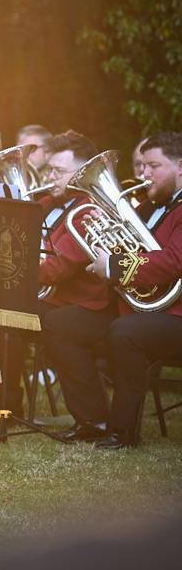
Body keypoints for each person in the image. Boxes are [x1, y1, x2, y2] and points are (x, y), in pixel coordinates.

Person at [0, 131, 111, 418]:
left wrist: (5, 269)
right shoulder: (46, 204)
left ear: (82, 172)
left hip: (66, 302)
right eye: (50, 169)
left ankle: (4, 403)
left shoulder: (86, 212)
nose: (51, 177)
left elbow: (56, 268)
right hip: (36, 295)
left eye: (60, 171)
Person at [84, 131, 182, 449]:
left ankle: (122, 431)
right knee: (73, 323)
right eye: (142, 166)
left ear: (180, 166)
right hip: (154, 311)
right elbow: (129, 246)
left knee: (126, 333)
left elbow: (172, 262)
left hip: (176, 314)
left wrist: (112, 267)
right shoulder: (150, 207)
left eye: (154, 166)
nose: (144, 174)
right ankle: (92, 420)